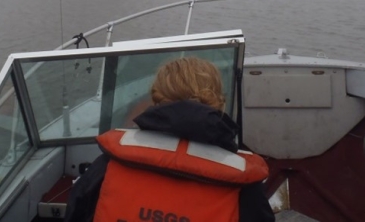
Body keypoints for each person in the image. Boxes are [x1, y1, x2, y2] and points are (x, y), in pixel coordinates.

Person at [65, 57, 275, 222]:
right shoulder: (242, 184)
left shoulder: (109, 164)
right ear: (218, 103)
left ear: (156, 99)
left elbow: (76, 212)